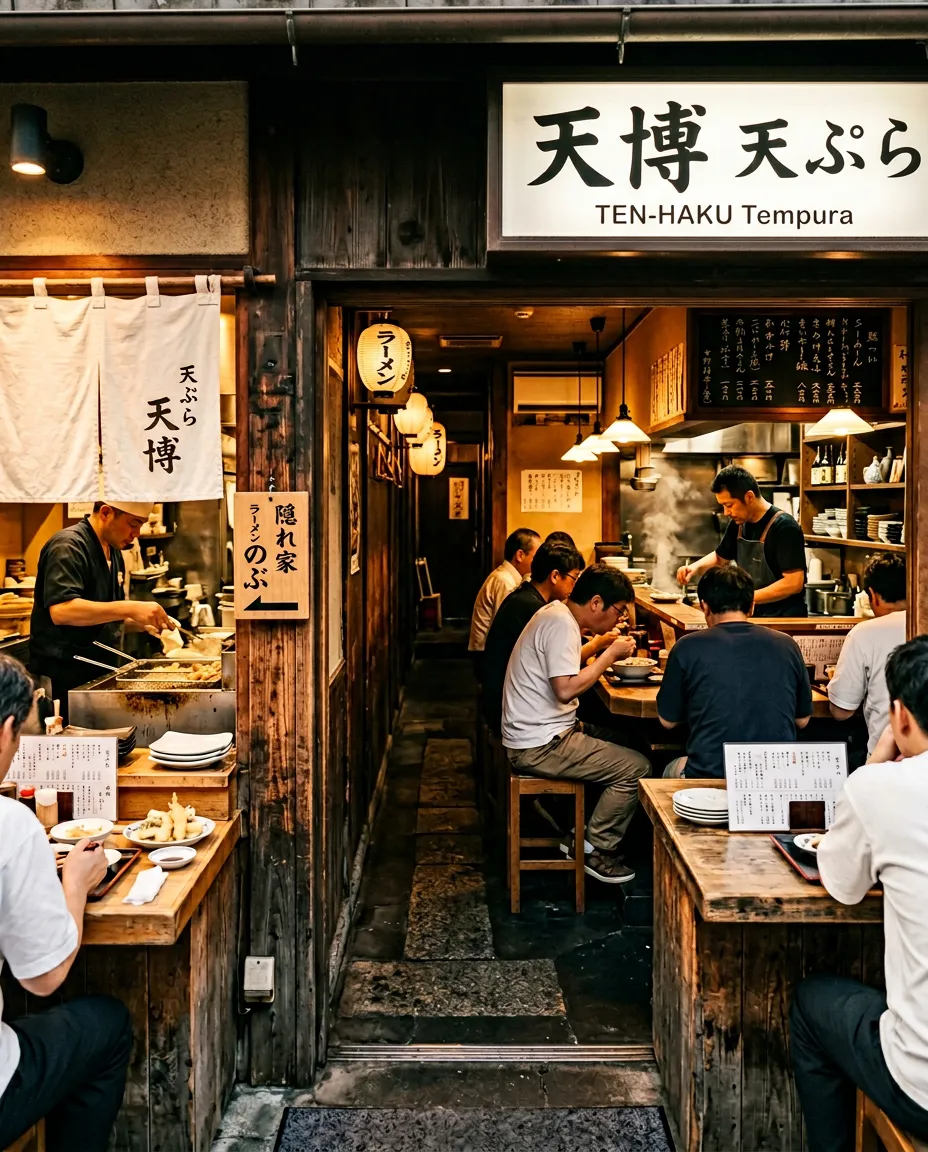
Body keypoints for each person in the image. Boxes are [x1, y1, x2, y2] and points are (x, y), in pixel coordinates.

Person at [790, 636, 928, 1152]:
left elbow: (844, 888)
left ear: (901, 715)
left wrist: (875, 762)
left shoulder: (879, 788)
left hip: (921, 1087)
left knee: (811, 1003)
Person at [0, 655, 132, 1152]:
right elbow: (44, 976)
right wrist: (75, 882)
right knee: (107, 1025)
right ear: (7, 729)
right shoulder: (9, 822)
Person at [501, 564, 651, 884]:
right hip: (538, 744)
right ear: (596, 603)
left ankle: (579, 833)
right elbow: (565, 688)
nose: (619, 619)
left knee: (629, 741)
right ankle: (595, 848)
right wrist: (608, 655)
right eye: (618, 611)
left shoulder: (558, 614)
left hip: (542, 730)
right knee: (636, 767)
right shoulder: (559, 624)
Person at [658, 565, 812, 778]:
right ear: (752, 606)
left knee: (667, 769)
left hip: (710, 776)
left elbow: (668, 721)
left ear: (705, 606)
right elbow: (802, 720)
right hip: (776, 780)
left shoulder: (687, 647)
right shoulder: (787, 645)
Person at [29, 501, 172, 718]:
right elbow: (62, 611)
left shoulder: (113, 551)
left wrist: (143, 624)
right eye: (133, 524)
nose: (137, 533)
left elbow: (104, 615)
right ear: (106, 512)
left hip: (97, 678)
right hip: (63, 680)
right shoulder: (68, 546)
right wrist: (130, 607)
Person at [481, 541, 584, 735]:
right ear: (554, 576)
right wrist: (600, 645)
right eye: (574, 578)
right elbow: (559, 666)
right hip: (508, 710)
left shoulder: (526, 596)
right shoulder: (534, 608)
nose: (574, 586)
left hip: (503, 698)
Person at [676, 465, 807, 617]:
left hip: (783, 620)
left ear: (749, 497)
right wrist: (694, 568)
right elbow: (720, 557)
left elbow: (794, 583)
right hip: (753, 616)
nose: (726, 512)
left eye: (729, 505)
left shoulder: (784, 527)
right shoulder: (739, 523)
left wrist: (744, 598)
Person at [828, 554, 907, 756]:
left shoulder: (864, 633)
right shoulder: (919, 622)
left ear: (873, 595)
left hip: (885, 760)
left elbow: (841, 712)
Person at [467, 528, 540, 662]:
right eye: (535, 557)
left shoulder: (506, 577)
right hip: (485, 654)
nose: (538, 563)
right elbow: (506, 628)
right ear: (520, 555)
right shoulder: (504, 581)